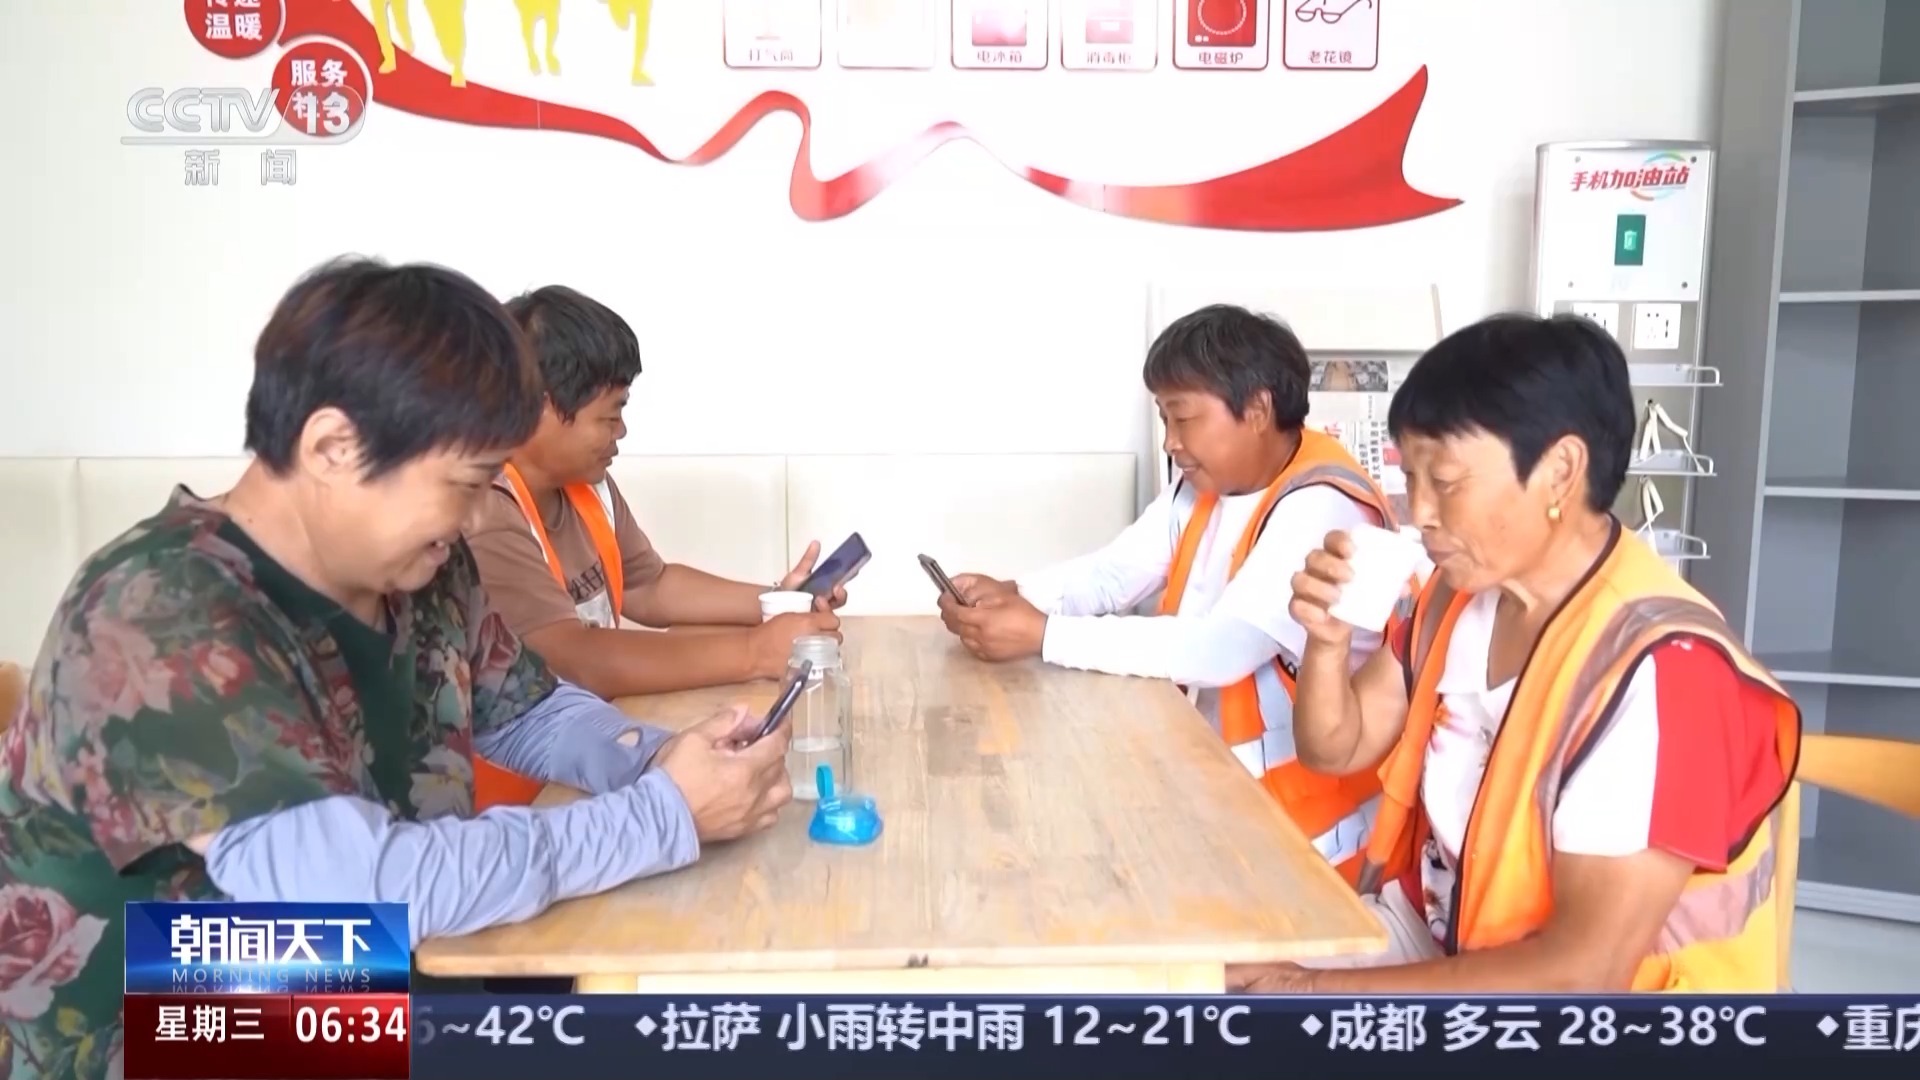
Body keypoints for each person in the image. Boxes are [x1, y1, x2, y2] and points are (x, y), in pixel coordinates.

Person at [0, 257, 793, 1080]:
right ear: (333, 447)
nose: (479, 516)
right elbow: (358, 891)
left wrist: (659, 759)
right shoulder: (162, 613)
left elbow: (528, 708)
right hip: (168, 1016)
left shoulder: (423, 565)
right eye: (466, 484)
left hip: (372, 966)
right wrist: (662, 815)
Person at [1231, 313, 1801, 994]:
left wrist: (1311, 989)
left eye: (1446, 481)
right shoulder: (1459, 595)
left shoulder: (1665, 673)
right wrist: (1326, 643)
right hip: (1448, 930)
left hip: (1608, 1013)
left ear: (1560, 472)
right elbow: (1338, 747)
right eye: (1410, 477)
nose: (1419, 511)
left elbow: (1582, 975)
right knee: (1203, 974)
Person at [937, 304, 1399, 874]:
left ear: (1257, 410)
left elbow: (1220, 650)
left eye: (1182, 418)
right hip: (1217, 800)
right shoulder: (1207, 486)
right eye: (1164, 419)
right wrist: (1012, 596)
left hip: (1311, 844)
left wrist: (1042, 634)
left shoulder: (1323, 504)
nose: (1170, 442)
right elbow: (1112, 575)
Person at [466, 286, 844, 721]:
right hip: (517, 762)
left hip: (584, 734)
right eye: (610, 416)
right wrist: (755, 652)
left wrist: (779, 601)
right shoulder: (486, 513)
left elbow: (650, 586)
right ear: (538, 408)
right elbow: (574, 659)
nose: (621, 431)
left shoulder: (587, 488)